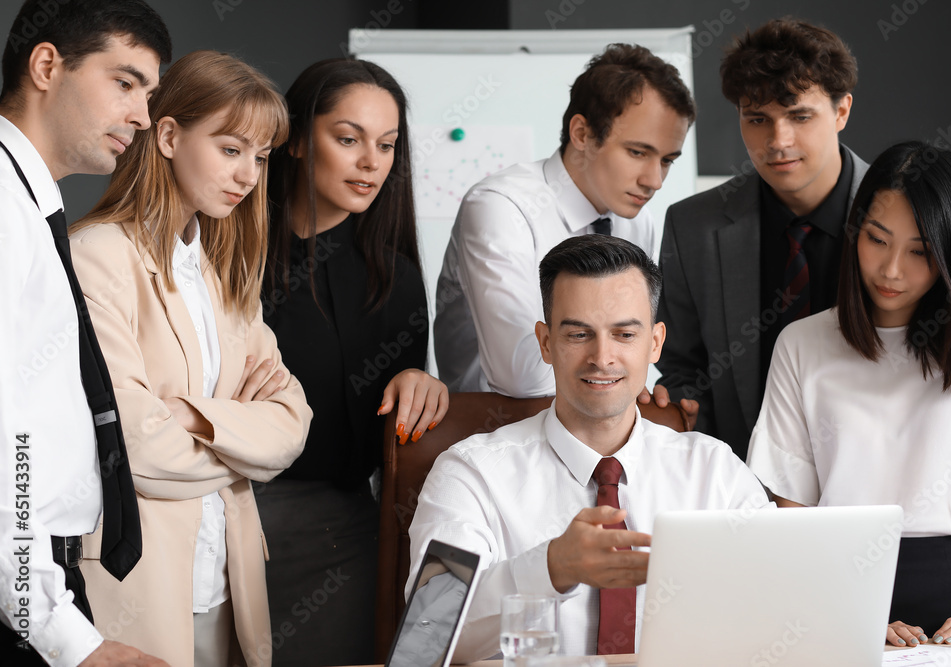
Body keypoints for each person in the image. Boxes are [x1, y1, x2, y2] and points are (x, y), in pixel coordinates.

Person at [409, 235, 770, 661]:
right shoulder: (470, 473)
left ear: (654, 343)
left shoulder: (715, 472)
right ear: (545, 343)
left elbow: (780, 603)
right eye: (579, 334)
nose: (602, 357)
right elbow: (426, 639)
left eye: (624, 334)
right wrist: (549, 568)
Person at [68, 50, 311, 667]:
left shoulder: (224, 275)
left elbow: (291, 424)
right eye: (231, 150)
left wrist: (191, 416)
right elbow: (134, 449)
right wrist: (238, 448)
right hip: (140, 583)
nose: (249, 176)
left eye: (259, 158)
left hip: (229, 583)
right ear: (170, 135)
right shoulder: (97, 256)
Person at [746, 141, 951, 648]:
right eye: (877, 240)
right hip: (839, 591)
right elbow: (791, 510)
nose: (891, 271)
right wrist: (842, 610)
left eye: (921, 252)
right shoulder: (803, 344)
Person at [258, 58, 448, 667]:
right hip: (225, 517)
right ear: (293, 138)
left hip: (344, 532)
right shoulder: (226, 253)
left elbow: (390, 431)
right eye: (348, 139)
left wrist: (422, 383)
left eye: (387, 145)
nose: (372, 162)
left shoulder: (396, 280)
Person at [0, 1, 171, 665]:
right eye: (124, 83)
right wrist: (67, 640)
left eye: (149, 94)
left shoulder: (29, 203)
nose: (143, 116)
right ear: (47, 66)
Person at [647, 19, 868, 460]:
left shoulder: (907, 217)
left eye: (800, 116)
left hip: (880, 481)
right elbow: (682, 367)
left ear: (841, 111)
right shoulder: (693, 226)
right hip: (740, 485)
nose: (778, 141)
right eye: (758, 119)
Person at [434, 42, 695, 401]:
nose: (655, 180)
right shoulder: (502, 207)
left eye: (667, 160)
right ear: (582, 134)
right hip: (496, 436)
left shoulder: (638, 223)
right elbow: (521, 377)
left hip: (599, 436)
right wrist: (625, 380)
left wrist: (645, 394)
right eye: (638, 152)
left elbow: (633, 353)